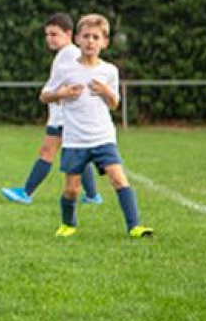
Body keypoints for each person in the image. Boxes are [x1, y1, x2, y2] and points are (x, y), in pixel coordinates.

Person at [40, 14, 154, 239]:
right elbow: (44, 96)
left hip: (103, 137)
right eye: (86, 36)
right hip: (74, 139)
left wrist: (106, 92)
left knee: (118, 178)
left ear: (104, 42)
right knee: (72, 189)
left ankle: (134, 226)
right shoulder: (67, 70)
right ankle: (68, 224)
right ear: (78, 40)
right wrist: (60, 94)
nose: (91, 41)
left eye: (96, 37)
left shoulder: (109, 71)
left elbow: (114, 104)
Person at [1, 13, 102, 206]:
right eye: (47, 34)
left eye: (54, 34)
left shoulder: (71, 54)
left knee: (47, 152)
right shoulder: (65, 54)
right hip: (61, 115)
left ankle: (26, 192)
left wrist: (62, 94)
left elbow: (79, 79)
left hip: (64, 116)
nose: (50, 38)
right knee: (80, 156)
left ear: (69, 33)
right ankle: (92, 195)